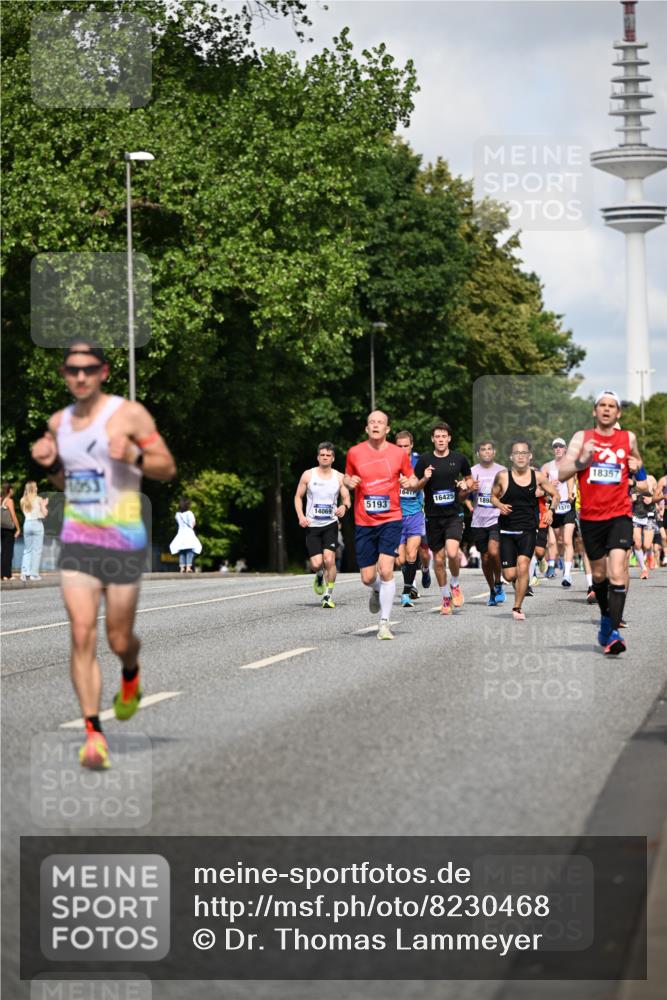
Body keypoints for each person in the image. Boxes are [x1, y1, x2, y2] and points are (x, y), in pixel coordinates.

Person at [31, 341, 176, 769]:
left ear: (104, 371)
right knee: (81, 633)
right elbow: (66, 484)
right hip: (79, 540)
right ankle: (94, 734)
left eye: (89, 369)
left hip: (123, 540)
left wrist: (133, 454)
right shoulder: (59, 423)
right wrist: (52, 465)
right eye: (72, 370)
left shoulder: (129, 414)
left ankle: (130, 672)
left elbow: (166, 467)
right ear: (64, 374)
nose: (80, 377)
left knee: (117, 639)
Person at [558, 390, 645, 655]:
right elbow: (562, 473)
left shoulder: (627, 437)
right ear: (595, 411)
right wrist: (583, 459)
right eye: (602, 405)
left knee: (618, 570)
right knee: (599, 575)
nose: (606, 409)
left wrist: (636, 464)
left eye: (612, 406)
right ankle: (607, 617)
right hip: (591, 517)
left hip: (620, 514)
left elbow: (639, 470)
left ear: (618, 413)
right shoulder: (580, 438)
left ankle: (614, 630)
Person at [344, 411, 417, 639]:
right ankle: (376, 590)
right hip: (364, 520)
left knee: (386, 570)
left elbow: (413, 479)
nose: (376, 425)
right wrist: (349, 481)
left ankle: (384, 623)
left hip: (391, 518)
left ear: (387, 429)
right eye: (372, 422)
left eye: (380, 423)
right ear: (367, 428)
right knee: (367, 577)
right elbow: (345, 478)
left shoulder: (398, 454)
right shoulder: (354, 452)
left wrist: (409, 482)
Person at [491, 440, 558, 621]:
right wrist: (499, 505)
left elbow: (555, 494)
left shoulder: (538, 477)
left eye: (524, 453)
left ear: (530, 456)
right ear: (511, 457)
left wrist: (551, 510)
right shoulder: (503, 476)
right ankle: (517, 584)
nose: (520, 456)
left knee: (523, 567)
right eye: (517, 453)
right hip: (506, 531)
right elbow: (492, 496)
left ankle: (517, 607)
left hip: (528, 529)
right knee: (510, 574)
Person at [414, 422, 473, 615]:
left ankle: (455, 584)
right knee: (438, 561)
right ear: (433, 439)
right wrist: (424, 478)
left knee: (453, 552)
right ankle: (445, 598)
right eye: (437, 436)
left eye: (443, 436)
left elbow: (469, 479)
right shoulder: (424, 460)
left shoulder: (459, 459)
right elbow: (416, 486)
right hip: (433, 517)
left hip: (454, 515)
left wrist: (466, 485)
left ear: (449, 438)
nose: (440, 439)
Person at [294, 442, 350, 609]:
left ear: (333, 458)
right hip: (312, 525)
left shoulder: (339, 477)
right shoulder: (308, 475)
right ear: (318, 457)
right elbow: (298, 497)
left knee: (329, 559)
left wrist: (344, 506)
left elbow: (346, 498)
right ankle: (319, 574)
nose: (325, 458)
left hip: (330, 524)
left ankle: (328, 595)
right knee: (317, 563)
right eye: (322, 455)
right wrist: (301, 516)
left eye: (328, 455)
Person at [469, 440, 506, 607]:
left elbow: (510, 492)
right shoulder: (472, 471)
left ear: (494, 452)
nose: (486, 452)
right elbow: (462, 497)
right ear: (478, 453)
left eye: (489, 449)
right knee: (484, 558)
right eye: (483, 449)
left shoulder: (502, 471)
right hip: (478, 520)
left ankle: (498, 582)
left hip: (496, 518)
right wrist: (468, 490)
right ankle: (492, 590)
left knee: (493, 552)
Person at [394, 430, 427, 608]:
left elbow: (427, 483)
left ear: (411, 445)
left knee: (412, 554)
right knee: (400, 560)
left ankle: (406, 593)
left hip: (415, 514)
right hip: (396, 516)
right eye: (399, 446)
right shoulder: (389, 463)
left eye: (406, 446)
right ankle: (417, 567)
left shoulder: (419, 463)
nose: (403, 449)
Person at [541, 437, 577, 586]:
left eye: (560, 446)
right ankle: (551, 563)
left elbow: (572, 480)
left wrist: (570, 494)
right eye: (555, 446)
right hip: (553, 507)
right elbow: (539, 487)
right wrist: (548, 485)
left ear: (565, 449)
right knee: (554, 541)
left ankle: (567, 575)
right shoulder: (547, 467)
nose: (558, 449)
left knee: (567, 540)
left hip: (567, 506)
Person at [19, 481, 48, 580]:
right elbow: (45, 514)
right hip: (37, 524)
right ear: (33, 488)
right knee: (37, 550)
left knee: (27, 550)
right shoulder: (39, 499)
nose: (37, 488)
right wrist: (44, 505)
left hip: (27, 524)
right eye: (36, 487)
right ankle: (33, 574)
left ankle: (24, 573)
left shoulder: (22, 500)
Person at [631, 474, 657, 580]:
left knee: (646, 545)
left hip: (649, 515)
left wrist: (652, 498)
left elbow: (659, 495)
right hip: (635, 515)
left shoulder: (651, 479)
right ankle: (643, 569)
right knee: (637, 543)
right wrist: (631, 498)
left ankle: (649, 554)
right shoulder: (630, 481)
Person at [169, 497, 202, 573]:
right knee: (190, 550)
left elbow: (178, 522)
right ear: (188, 505)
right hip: (189, 533)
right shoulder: (190, 513)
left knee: (181, 551)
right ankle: (188, 567)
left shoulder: (177, 514)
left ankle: (181, 568)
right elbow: (193, 523)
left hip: (180, 534)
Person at [1, 483, 21, 580]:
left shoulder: (0, 500)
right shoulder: (9, 501)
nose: (13, 491)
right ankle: (7, 575)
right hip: (9, 529)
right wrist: (18, 528)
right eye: (12, 489)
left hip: (1, 528)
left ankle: (2, 574)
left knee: (3, 552)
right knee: (8, 552)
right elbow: (13, 516)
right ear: (9, 490)